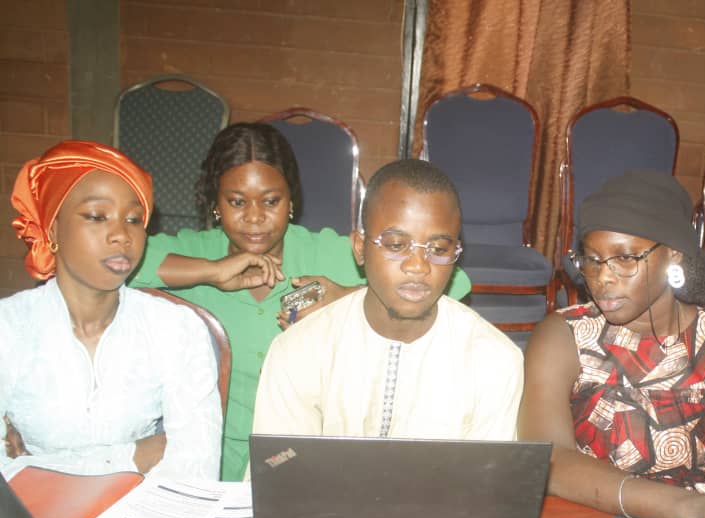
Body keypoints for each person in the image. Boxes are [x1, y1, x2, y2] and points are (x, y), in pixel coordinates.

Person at [128, 124, 473, 481]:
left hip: (305, 455)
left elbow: (454, 283)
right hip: (212, 454)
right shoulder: (197, 250)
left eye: (271, 201)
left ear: (291, 201)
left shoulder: (324, 252)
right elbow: (116, 260)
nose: (255, 217)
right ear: (215, 203)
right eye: (237, 202)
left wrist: (349, 299)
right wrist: (212, 271)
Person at [519, 171, 705, 518]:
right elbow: (550, 461)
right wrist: (686, 507)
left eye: (625, 258)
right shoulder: (564, 337)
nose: (603, 278)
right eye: (592, 259)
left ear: (673, 255)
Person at [251, 159, 523, 443]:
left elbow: (489, 472)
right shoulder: (301, 350)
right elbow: (281, 467)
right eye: (396, 245)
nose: (418, 266)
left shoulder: (492, 361)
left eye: (438, 249)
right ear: (360, 249)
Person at [1, 140, 221, 481]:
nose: (122, 235)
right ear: (53, 228)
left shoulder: (175, 328)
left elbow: (195, 469)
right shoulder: (9, 328)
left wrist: (36, 468)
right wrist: (133, 455)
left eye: (134, 219)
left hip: (144, 511)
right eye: (97, 216)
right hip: (29, 515)